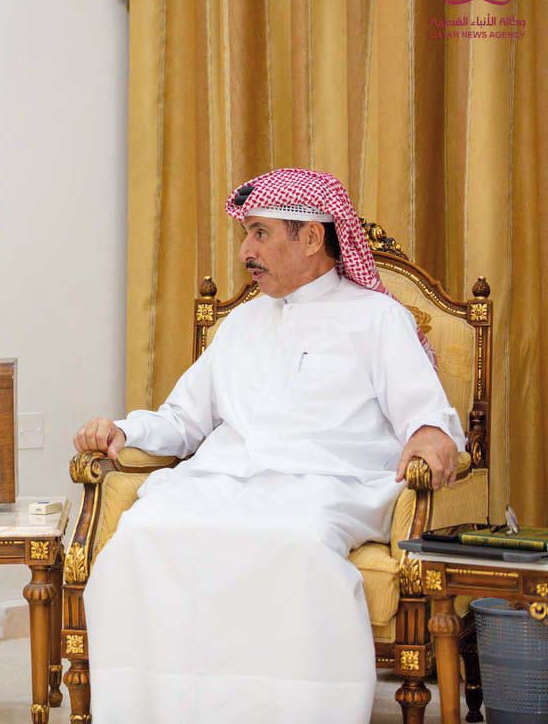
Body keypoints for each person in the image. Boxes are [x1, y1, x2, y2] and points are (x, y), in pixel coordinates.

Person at [73, 168, 463, 723]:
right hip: (223, 480)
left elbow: (425, 414)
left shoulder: (378, 319)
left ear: (310, 238)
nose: (244, 252)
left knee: (295, 546)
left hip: (327, 485)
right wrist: (126, 432)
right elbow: (185, 418)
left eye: (259, 233)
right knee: (142, 535)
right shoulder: (240, 324)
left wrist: (427, 433)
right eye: (246, 234)